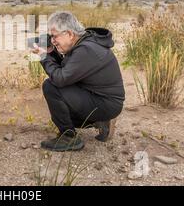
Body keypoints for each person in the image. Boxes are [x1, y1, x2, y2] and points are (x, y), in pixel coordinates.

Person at [32, 11, 125, 152]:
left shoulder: (86, 50)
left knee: (51, 86)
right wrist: (51, 51)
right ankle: (100, 121)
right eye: (51, 37)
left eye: (54, 36)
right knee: (65, 115)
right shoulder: (84, 42)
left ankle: (69, 138)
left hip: (106, 103)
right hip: (102, 99)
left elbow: (60, 79)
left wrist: (44, 57)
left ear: (69, 34)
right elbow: (68, 68)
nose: (52, 40)